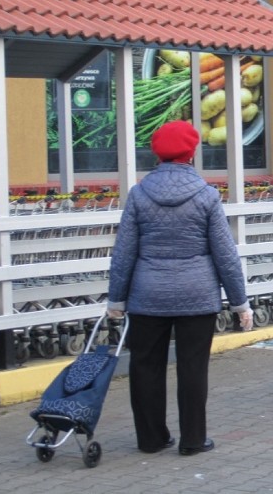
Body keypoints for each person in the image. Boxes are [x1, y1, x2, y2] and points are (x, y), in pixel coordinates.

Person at [107, 120, 254, 456]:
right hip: (196, 295)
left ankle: (151, 438)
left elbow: (124, 251)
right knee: (192, 367)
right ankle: (192, 439)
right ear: (192, 152)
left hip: (147, 296)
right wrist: (240, 303)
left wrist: (116, 298)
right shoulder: (206, 195)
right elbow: (225, 255)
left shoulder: (139, 194)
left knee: (145, 366)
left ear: (156, 153)